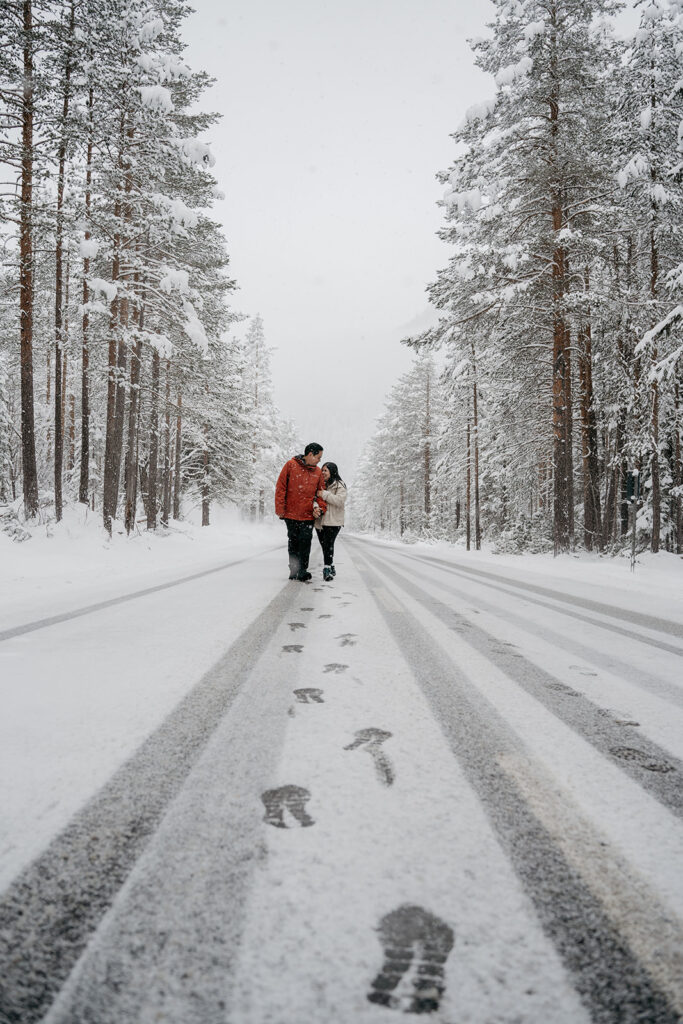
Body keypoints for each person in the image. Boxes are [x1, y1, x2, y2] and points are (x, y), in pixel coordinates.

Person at [275, 443, 327, 581]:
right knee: (293, 542)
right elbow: (281, 488)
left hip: (307, 515)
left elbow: (321, 494)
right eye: (318, 457)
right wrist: (280, 509)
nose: (319, 460)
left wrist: (320, 509)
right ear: (310, 454)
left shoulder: (317, 472)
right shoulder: (290, 465)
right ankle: (293, 570)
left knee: (305, 542)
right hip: (290, 514)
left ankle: (303, 570)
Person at [315, 461, 347, 581]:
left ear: (332, 471)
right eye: (322, 470)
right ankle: (331, 565)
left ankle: (327, 569)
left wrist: (324, 494)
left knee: (328, 544)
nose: (323, 472)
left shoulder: (340, 485)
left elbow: (339, 501)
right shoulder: (319, 484)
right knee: (324, 545)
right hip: (320, 521)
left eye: (325, 470)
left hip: (334, 521)